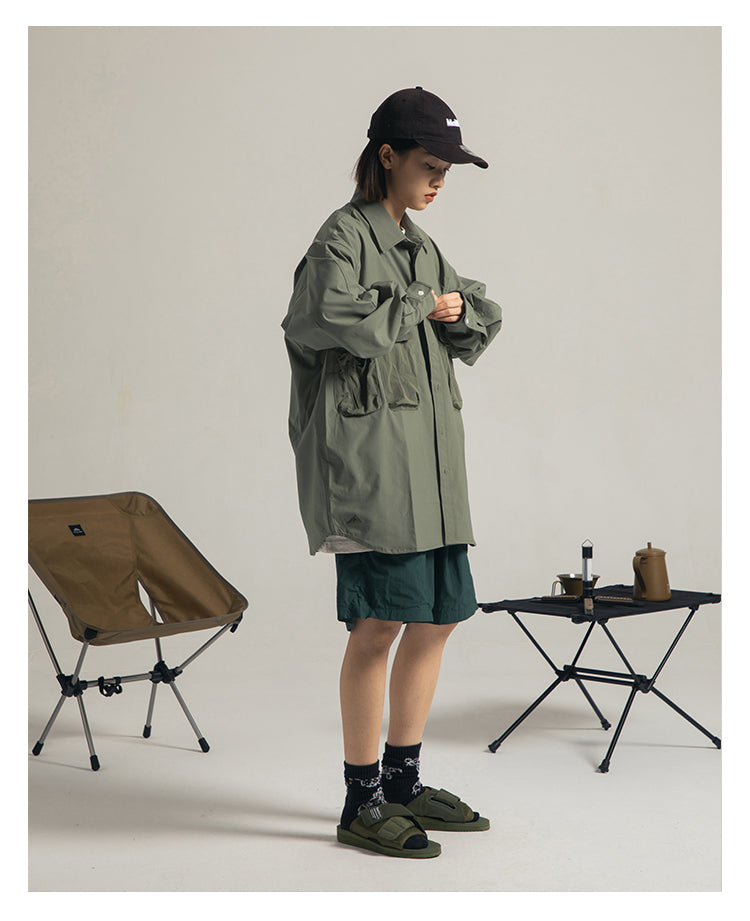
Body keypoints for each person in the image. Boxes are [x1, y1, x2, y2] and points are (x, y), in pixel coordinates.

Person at [282, 87, 503, 859]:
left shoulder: (419, 243)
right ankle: (362, 799)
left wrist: (453, 309)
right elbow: (329, 320)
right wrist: (417, 302)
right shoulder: (340, 240)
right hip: (373, 475)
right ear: (387, 156)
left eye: (447, 169)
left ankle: (404, 782)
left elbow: (475, 315)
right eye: (429, 164)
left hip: (433, 477)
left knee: (437, 617)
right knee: (378, 624)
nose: (440, 180)